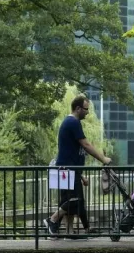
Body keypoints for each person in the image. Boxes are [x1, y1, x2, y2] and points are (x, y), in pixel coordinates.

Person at [46, 94, 111, 239]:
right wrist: (103, 159)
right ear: (78, 108)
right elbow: (86, 145)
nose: (88, 112)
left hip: (70, 169)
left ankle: (69, 232)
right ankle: (52, 219)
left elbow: (71, 151)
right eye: (86, 109)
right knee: (75, 200)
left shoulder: (71, 122)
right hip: (67, 170)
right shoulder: (73, 122)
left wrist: (80, 175)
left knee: (68, 202)